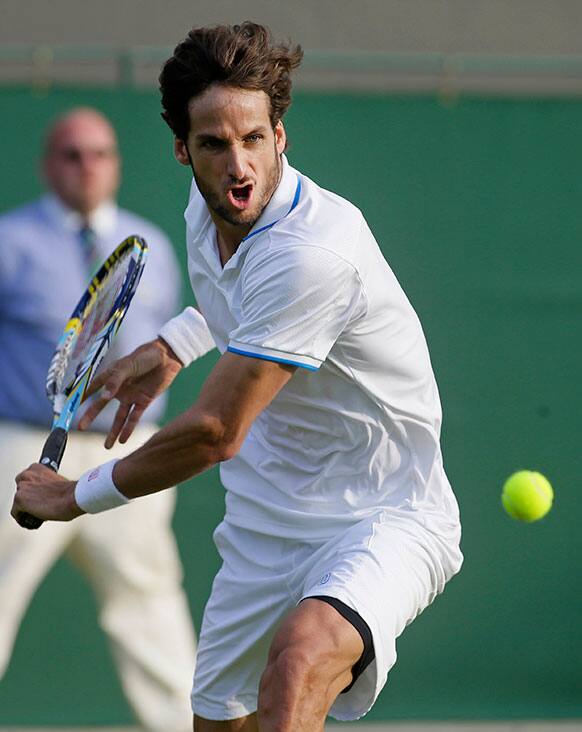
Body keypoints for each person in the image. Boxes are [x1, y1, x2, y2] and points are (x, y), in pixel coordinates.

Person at [13, 24, 463, 732]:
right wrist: (173, 343)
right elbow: (234, 298)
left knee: (299, 659)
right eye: (216, 145)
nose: (239, 165)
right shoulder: (207, 207)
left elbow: (216, 432)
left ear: (280, 135)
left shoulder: (313, 249)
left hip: (381, 514)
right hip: (265, 523)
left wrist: (76, 496)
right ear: (182, 149)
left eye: (254, 138)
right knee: (221, 723)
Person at [0, 108, 196, 732]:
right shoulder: (9, 241)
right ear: (46, 165)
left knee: (149, 606)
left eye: (101, 154)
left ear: (116, 163)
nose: (88, 167)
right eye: (71, 155)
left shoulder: (152, 247)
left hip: (126, 456)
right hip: (22, 450)